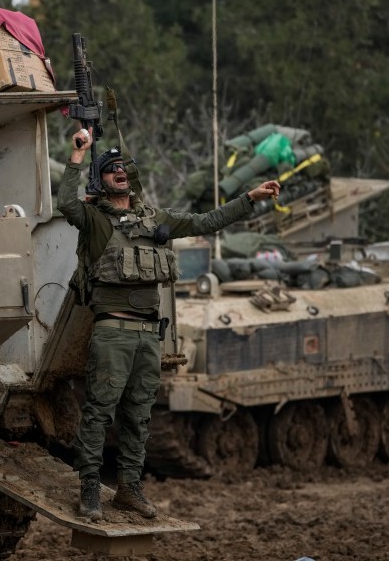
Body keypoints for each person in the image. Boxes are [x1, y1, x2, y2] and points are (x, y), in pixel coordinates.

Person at [58, 127, 280, 521]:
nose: (119, 172)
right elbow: (66, 205)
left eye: (123, 166)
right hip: (112, 332)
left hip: (148, 334)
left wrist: (250, 199)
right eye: (110, 169)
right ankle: (90, 489)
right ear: (100, 180)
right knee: (99, 412)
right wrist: (78, 155)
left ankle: (129, 487)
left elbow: (206, 221)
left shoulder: (156, 219)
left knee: (140, 415)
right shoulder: (94, 219)